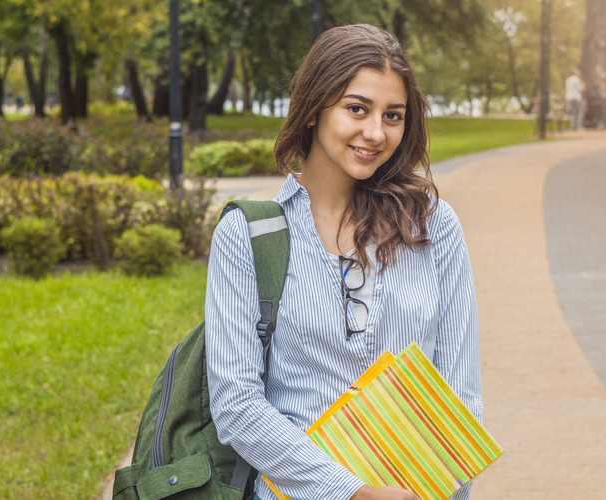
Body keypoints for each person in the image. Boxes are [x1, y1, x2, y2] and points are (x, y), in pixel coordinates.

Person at [205, 24, 481, 500]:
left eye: (393, 115)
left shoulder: (433, 227)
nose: (375, 132)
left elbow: (461, 398)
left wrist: (441, 488)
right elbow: (237, 405)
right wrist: (350, 492)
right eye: (357, 108)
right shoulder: (248, 235)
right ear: (314, 109)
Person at [565, 66, 585, 131]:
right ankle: (579, 126)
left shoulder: (568, 79)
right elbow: (580, 89)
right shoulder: (577, 79)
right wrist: (583, 86)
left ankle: (573, 127)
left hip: (570, 98)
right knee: (580, 111)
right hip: (577, 97)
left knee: (573, 112)